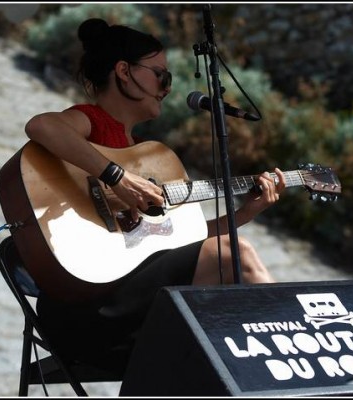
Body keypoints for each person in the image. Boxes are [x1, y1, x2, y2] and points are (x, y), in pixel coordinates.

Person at [24, 18, 286, 374]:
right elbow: (41, 126)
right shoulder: (92, 124)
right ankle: (290, 358)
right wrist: (115, 176)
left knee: (225, 274)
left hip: (128, 305)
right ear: (124, 72)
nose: (167, 87)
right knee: (237, 254)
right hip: (83, 309)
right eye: (160, 74)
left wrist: (244, 214)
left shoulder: (142, 157)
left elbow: (182, 247)